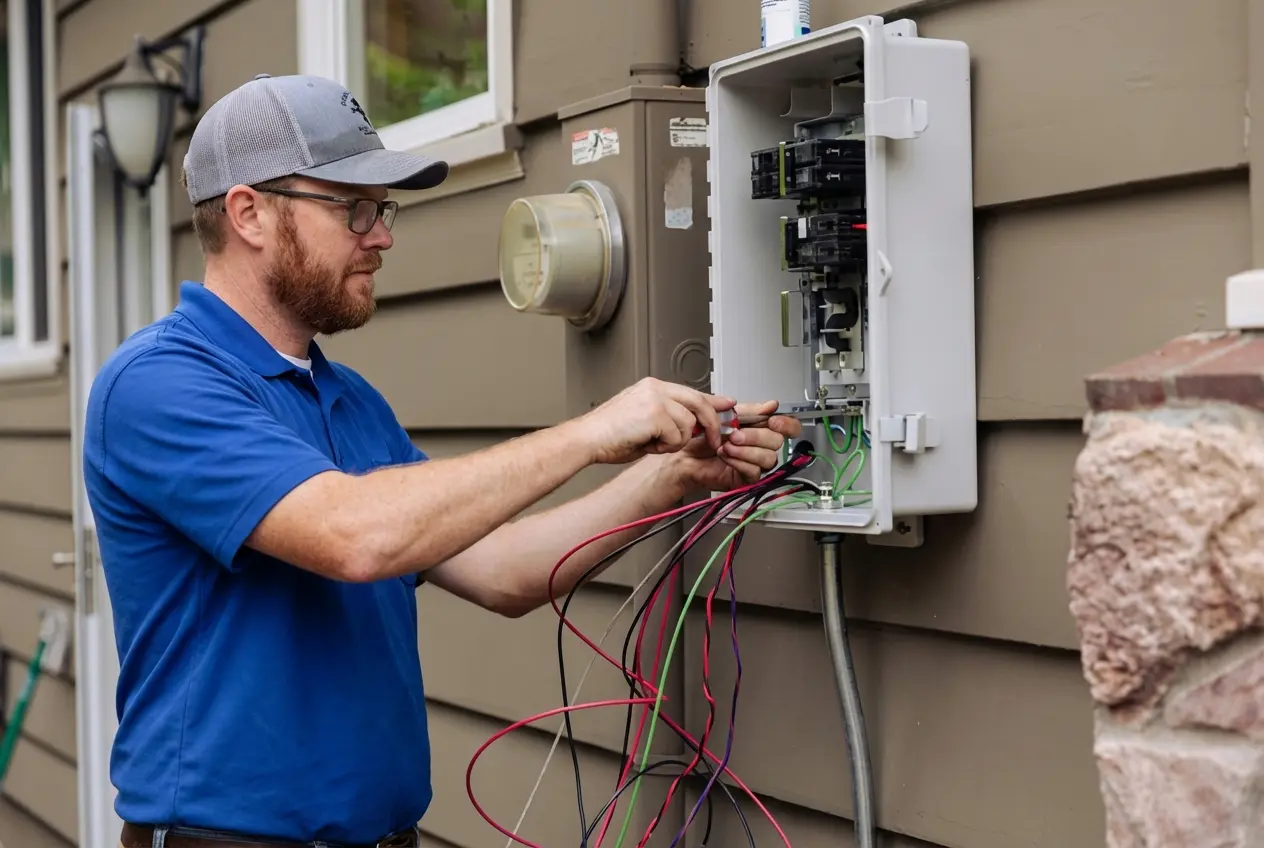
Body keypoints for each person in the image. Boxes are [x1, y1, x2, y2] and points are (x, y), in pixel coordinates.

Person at [82, 73, 801, 848]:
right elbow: (354, 538)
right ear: (249, 212)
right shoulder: (158, 383)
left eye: (382, 209)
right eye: (353, 209)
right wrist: (592, 432)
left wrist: (671, 477)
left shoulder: (349, 401)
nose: (381, 237)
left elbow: (503, 570)